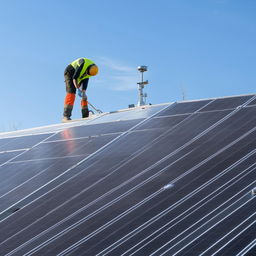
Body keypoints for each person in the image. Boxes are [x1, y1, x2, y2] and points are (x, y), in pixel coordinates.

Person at [62, 57, 98, 122]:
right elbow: (74, 78)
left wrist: (83, 92)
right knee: (71, 93)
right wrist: (78, 89)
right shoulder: (83, 64)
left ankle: (85, 116)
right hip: (70, 73)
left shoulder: (91, 71)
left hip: (80, 76)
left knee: (84, 96)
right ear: (88, 69)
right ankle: (66, 116)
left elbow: (86, 80)